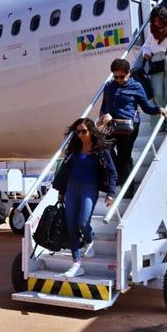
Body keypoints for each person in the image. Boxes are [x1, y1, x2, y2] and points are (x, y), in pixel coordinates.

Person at [52, 118, 117, 277]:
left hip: (90, 188)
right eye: (78, 132)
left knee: (82, 222)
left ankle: (89, 240)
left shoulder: (100, 150)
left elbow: (111, 171)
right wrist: (61, 191)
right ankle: (76, 264)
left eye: (83, 131)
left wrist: (111, 192)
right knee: (71, 226)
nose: (80, 135)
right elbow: (65, 171)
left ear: (91, 131)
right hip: (71, 188)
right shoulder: (74, 150)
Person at [99, 58, 167, 197]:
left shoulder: (136, 86)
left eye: (121, 77)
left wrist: (158, 109)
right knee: (103, 148)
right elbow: (103, 108)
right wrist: (105, 115)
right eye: (115, 77)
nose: (118, 79)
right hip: (113, 125)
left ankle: (128, 191)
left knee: (124, 157)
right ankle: (119, 176)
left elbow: (146, 108)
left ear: (128, 73)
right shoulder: (109, 86)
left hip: (129, 127)